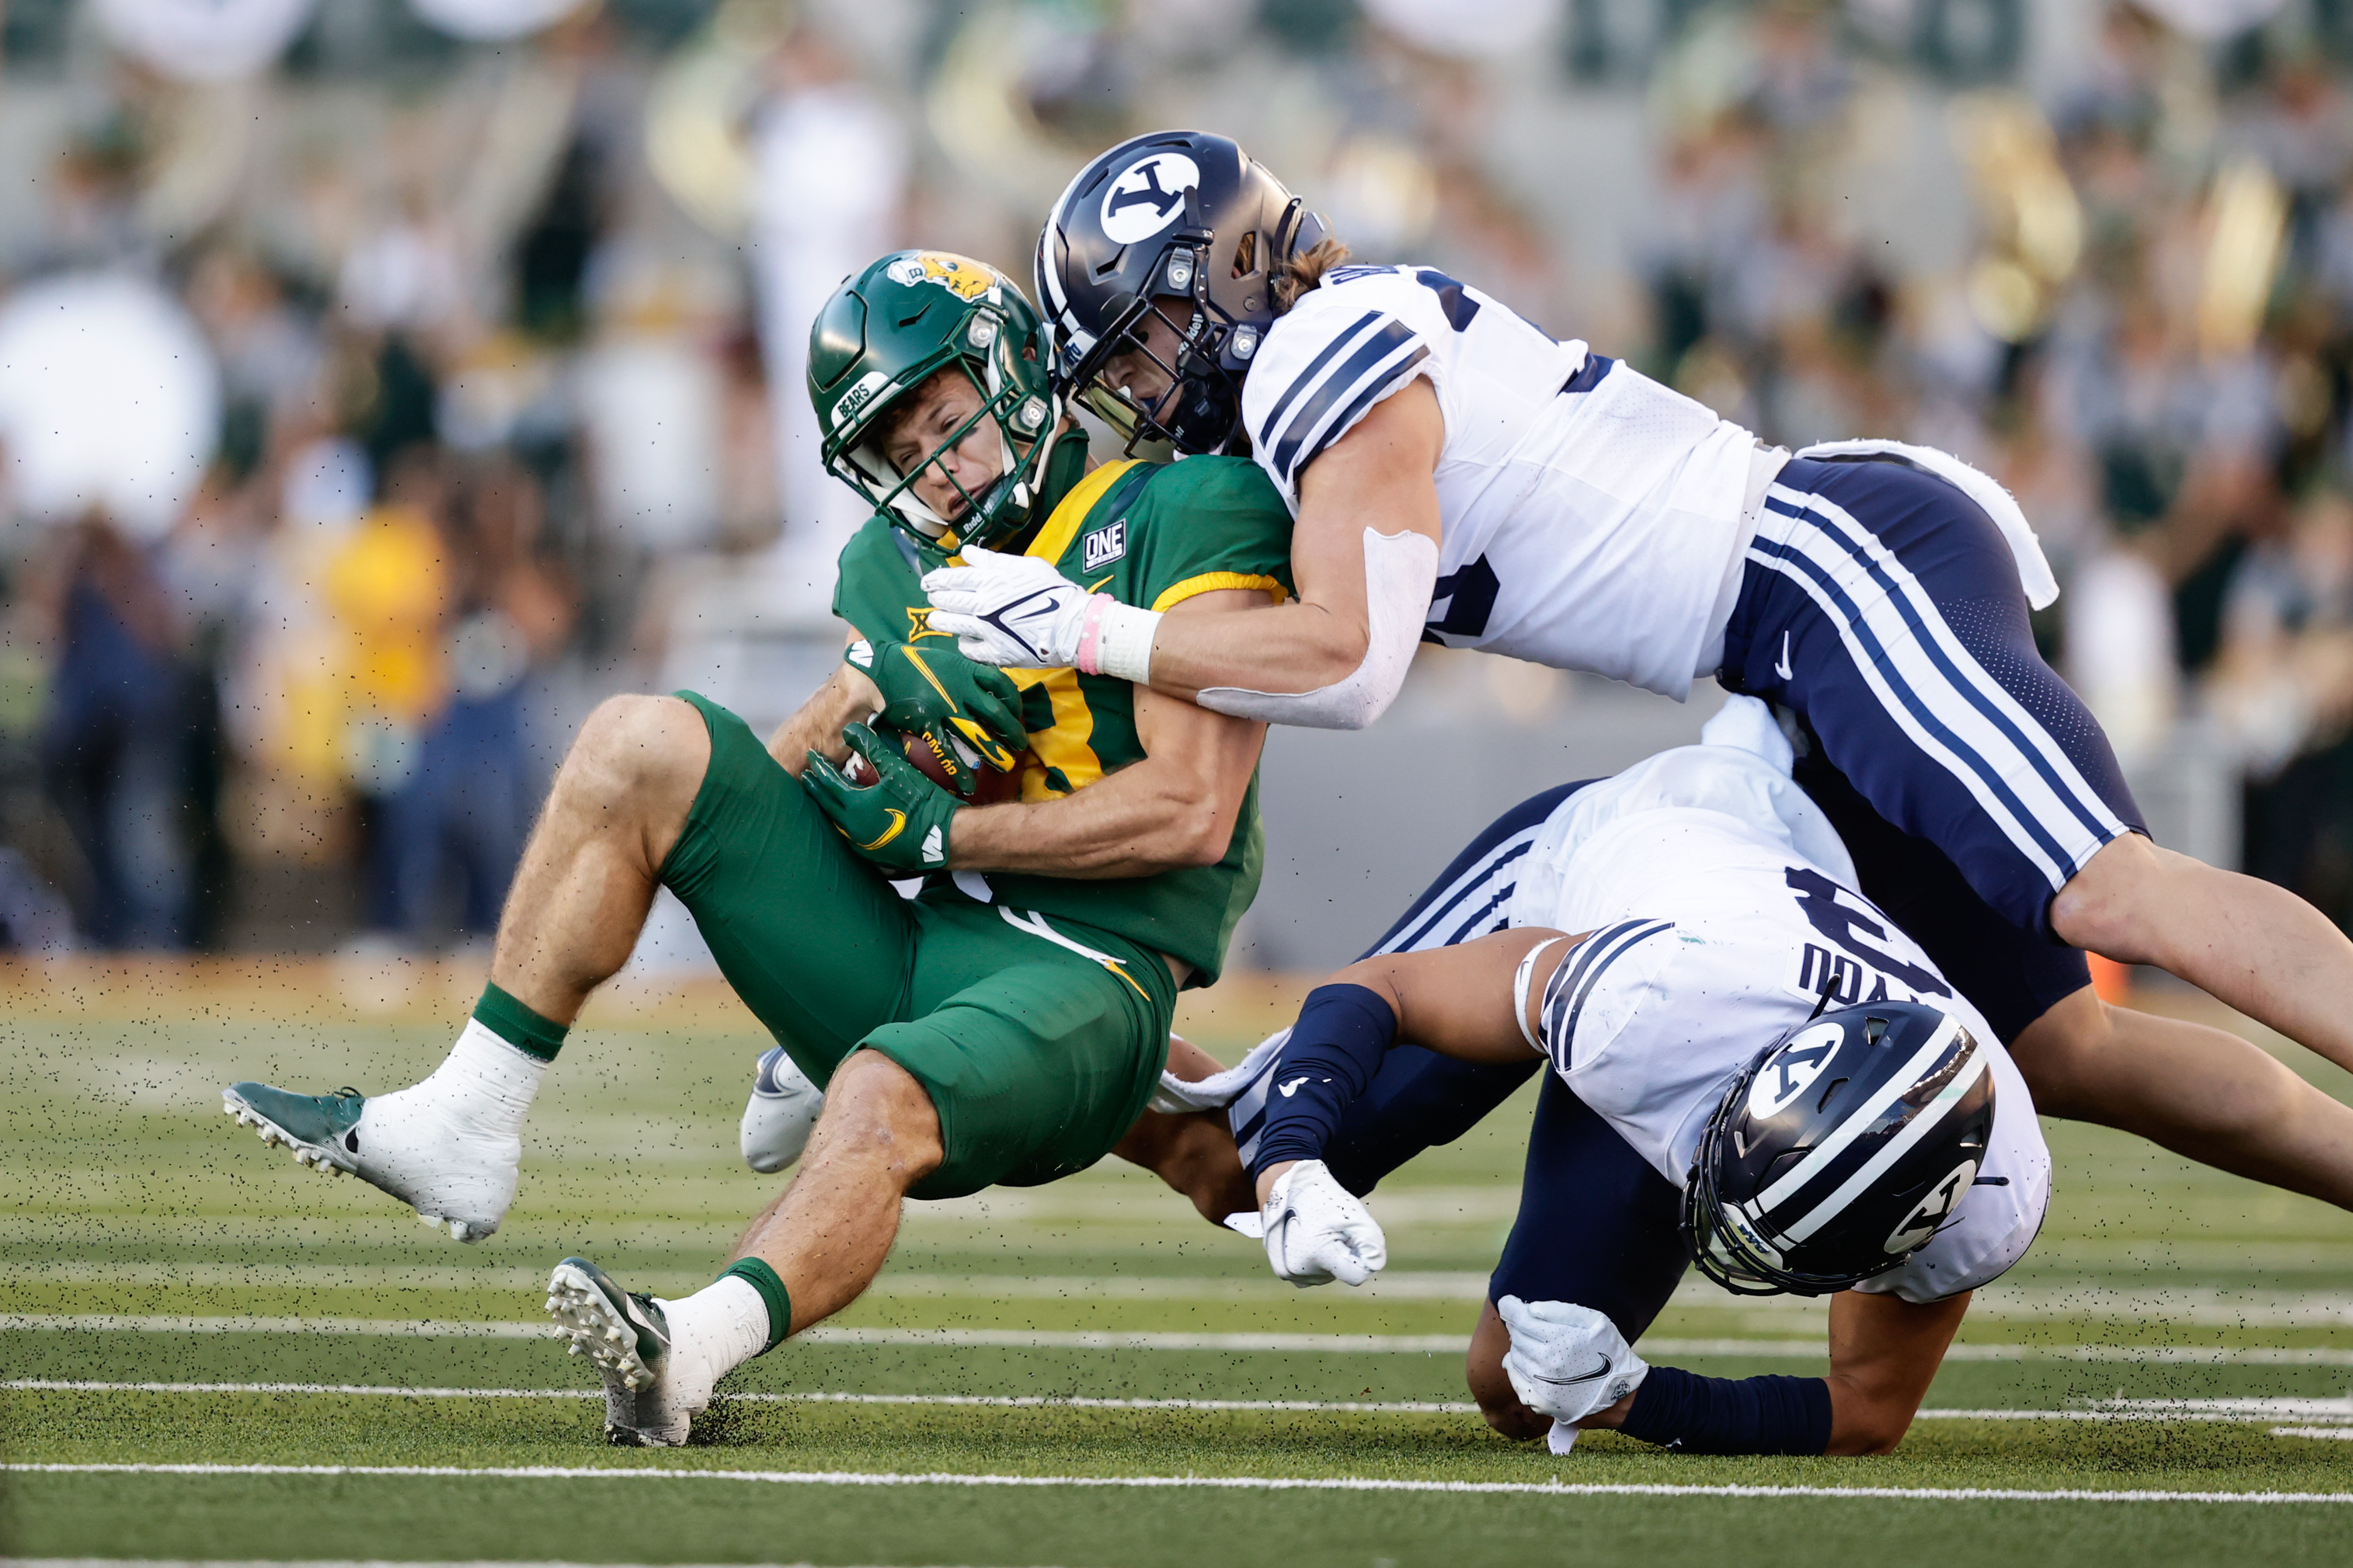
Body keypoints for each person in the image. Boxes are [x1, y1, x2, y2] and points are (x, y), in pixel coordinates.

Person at [926, 129, 2353, 1220]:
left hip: (1826, 564)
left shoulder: (1315, 351)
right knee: (2057, 1048)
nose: (1144, 386)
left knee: (2103, 885)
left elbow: (1350, 666)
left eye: (1150, 338)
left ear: (1226, 272)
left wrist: (1076, 626)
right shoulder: (1322, 347)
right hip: (1779, 654)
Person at [216, 252, 1274, 1446]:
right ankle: (467, 1114)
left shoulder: (1186, 508)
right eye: (895, 447)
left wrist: (945, 825)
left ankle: (689, 1348)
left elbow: (1186, 816)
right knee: (641, 741)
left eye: (944, 416)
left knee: (894, 1090)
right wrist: (829, 759)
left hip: (1086, 966)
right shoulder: (890, 567)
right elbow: (758, 800)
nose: (932, 462)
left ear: (1017, 374)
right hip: (923, 937)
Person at [1160, 696, 2047, 1455]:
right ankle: (1056, 998)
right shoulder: (1644, 1008)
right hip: (1594, 869)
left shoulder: (1987, 1188)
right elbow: (1376, 992)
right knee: (1228, 1161)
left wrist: (1635, 1398)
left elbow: (1865, 1411)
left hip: (1739, 926)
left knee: (1520, 1389)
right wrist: (1289, 1162)